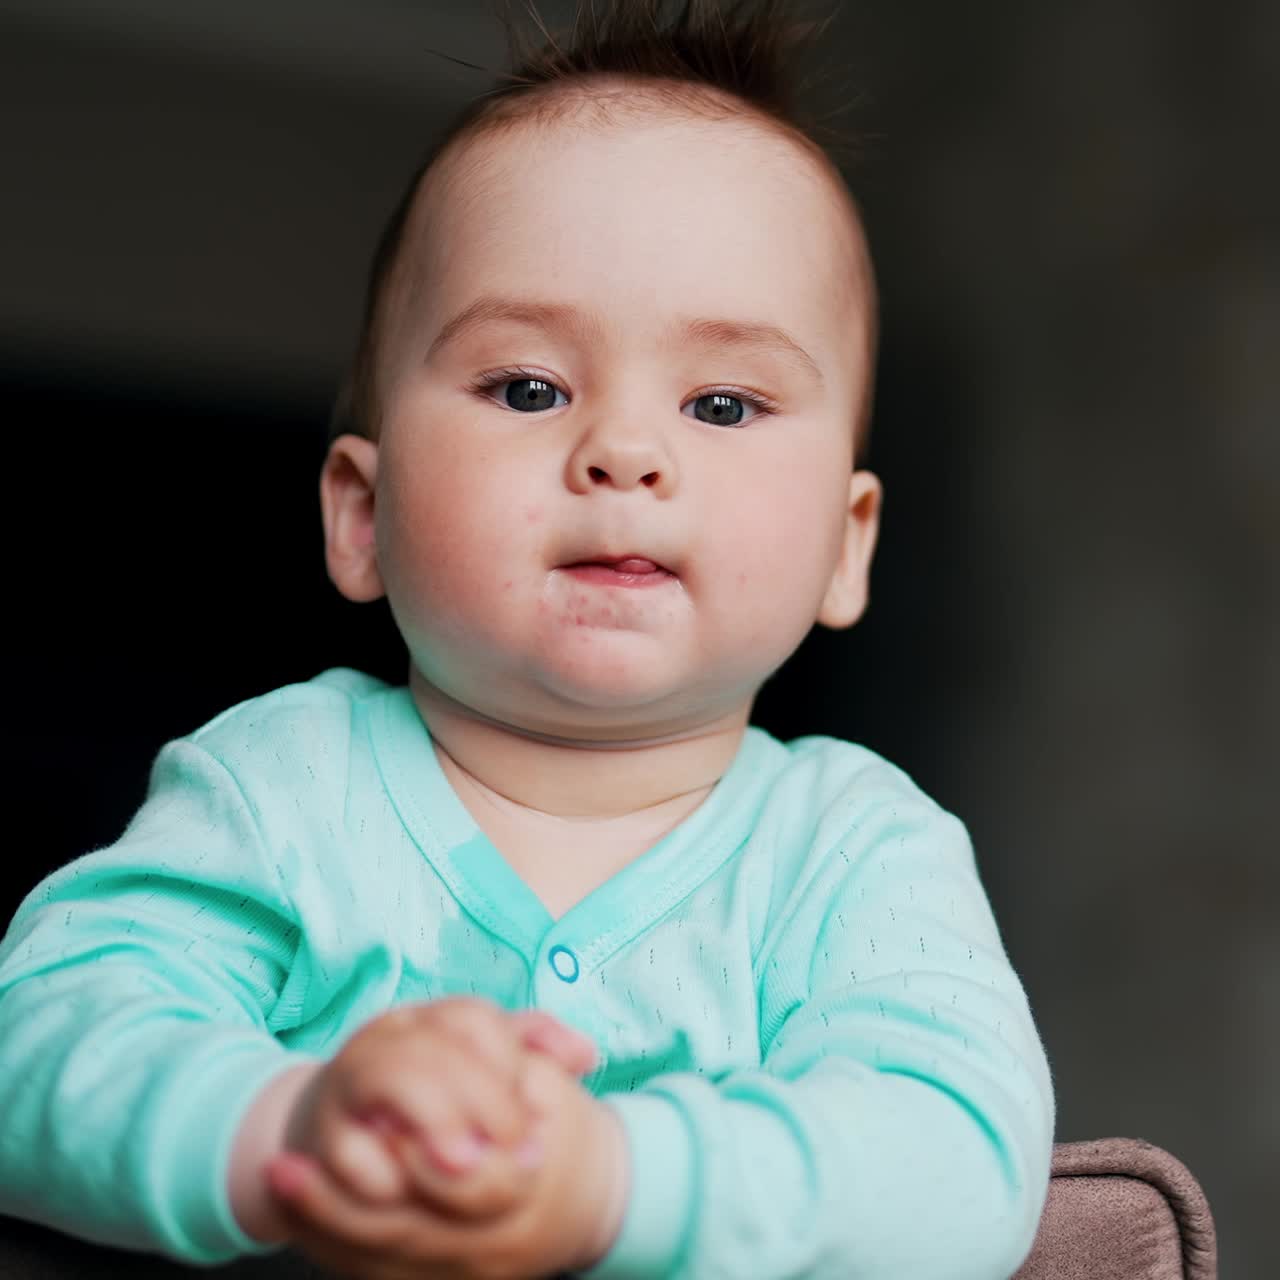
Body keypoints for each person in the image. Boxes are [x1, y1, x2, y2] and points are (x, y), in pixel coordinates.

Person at [0, 2, 1055, 1276]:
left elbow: (957, 1161)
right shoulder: (281, 786)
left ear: (846, 544)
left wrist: (610, 1178)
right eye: (529, 387)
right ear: (364, 514)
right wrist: (292, 1126)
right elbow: (44, 1035)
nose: (623, 450)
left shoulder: (853, 853)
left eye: (722, 401)